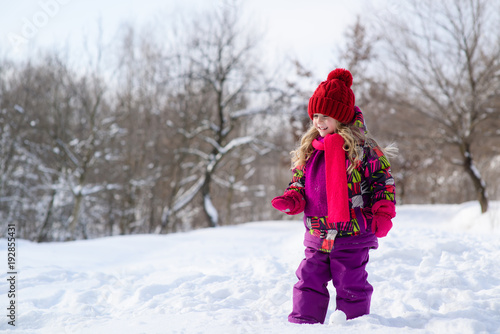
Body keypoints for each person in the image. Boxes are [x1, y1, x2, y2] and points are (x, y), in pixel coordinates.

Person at [271, 68, 396, 324]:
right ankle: (304, 324)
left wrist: (382, 213)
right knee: (308, 281)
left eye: (325, 115)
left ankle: (354, 325)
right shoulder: (310, 150)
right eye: (315, 115)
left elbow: (382, 183)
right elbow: (299, 184)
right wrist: (292, 198)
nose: (318, 121)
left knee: (351, 284)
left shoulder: (363, 150)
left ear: (341, 117)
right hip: (318, 235)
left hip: (353, 234)